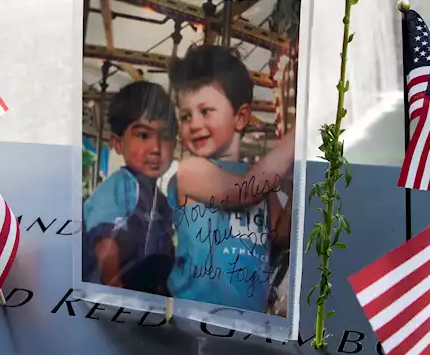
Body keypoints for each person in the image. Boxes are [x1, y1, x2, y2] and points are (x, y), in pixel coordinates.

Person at [165, 45, 294, 310]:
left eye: (205, 111)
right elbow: (243, 192)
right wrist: (297, 136)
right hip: (195, 317)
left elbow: (280, 234)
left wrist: (296, 193)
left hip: (248, 318)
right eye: (186, 116)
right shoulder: (191, 171)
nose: (195, 123)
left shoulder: (261, 188)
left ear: (240, 117)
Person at [83, 82, 178, 295]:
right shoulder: (120, 185)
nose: (156, 148)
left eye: (165, 136)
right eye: (143, 135)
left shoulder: (160, 200)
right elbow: (106, 245)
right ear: (117, 143)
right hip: (112, 294)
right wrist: (115, 289)